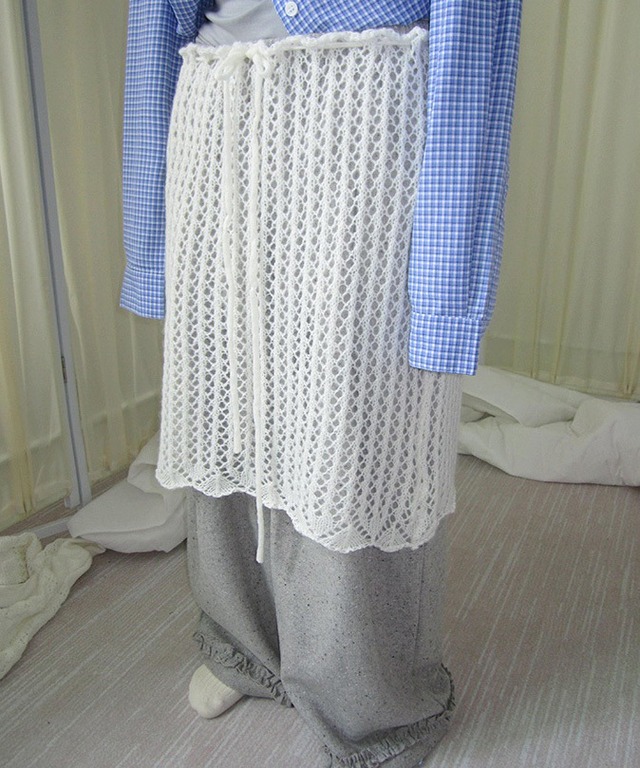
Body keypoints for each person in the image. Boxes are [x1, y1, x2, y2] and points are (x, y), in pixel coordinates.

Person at [120, 2, 522, 766]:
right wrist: (151, 244)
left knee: (353, 431)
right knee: (227, 412)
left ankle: (372, 702)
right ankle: (242, 644)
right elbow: (154, 26)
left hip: (368, 111)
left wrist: (445, 298)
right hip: (214, 109)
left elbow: (476, 50)